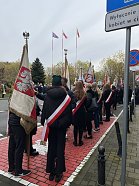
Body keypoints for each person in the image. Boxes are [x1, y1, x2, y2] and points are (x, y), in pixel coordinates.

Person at [41, 75, 72, 183]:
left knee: (51, 148)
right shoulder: (66, 96)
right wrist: (62, 124)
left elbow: (44, 112)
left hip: (51, 126)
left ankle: (51, 171)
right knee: (60, 149)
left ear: (52, 83)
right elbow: (68, 115)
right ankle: (59, 172)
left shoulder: (47, 96)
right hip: (61, 128)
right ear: (61, 84)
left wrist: (44, 123)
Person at [8, 112, 31, 177]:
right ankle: (18, 171)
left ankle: (11, 167)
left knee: (12, 146)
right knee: (19, 147)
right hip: (19, 122)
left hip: (11, 119)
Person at [72, 81, 86, 146]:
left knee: (75, 127)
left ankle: (75, 141)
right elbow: (86, 104)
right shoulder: (84, 94)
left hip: (75, 112)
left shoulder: (74, 94)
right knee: (81, 127)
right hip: (82, 112)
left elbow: (72, 104)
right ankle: (80, 141)